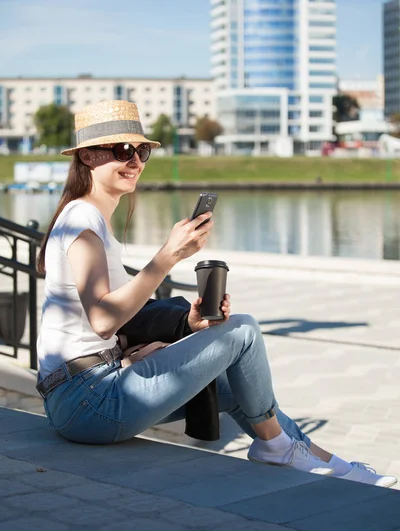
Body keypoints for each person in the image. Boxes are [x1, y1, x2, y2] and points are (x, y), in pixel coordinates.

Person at [36, 100, 397, 488]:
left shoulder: (90, 221)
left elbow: (99, 324)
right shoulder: (81, 221)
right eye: (123, 150)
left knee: (240, 388)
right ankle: (278, 448)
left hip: (94, 387)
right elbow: (103, 317)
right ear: (88, 156)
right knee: (242, 331)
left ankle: (333, 466)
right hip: (89, 401)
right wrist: (168, 256)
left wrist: (162, 335)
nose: (136, 161)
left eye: (142, 151)